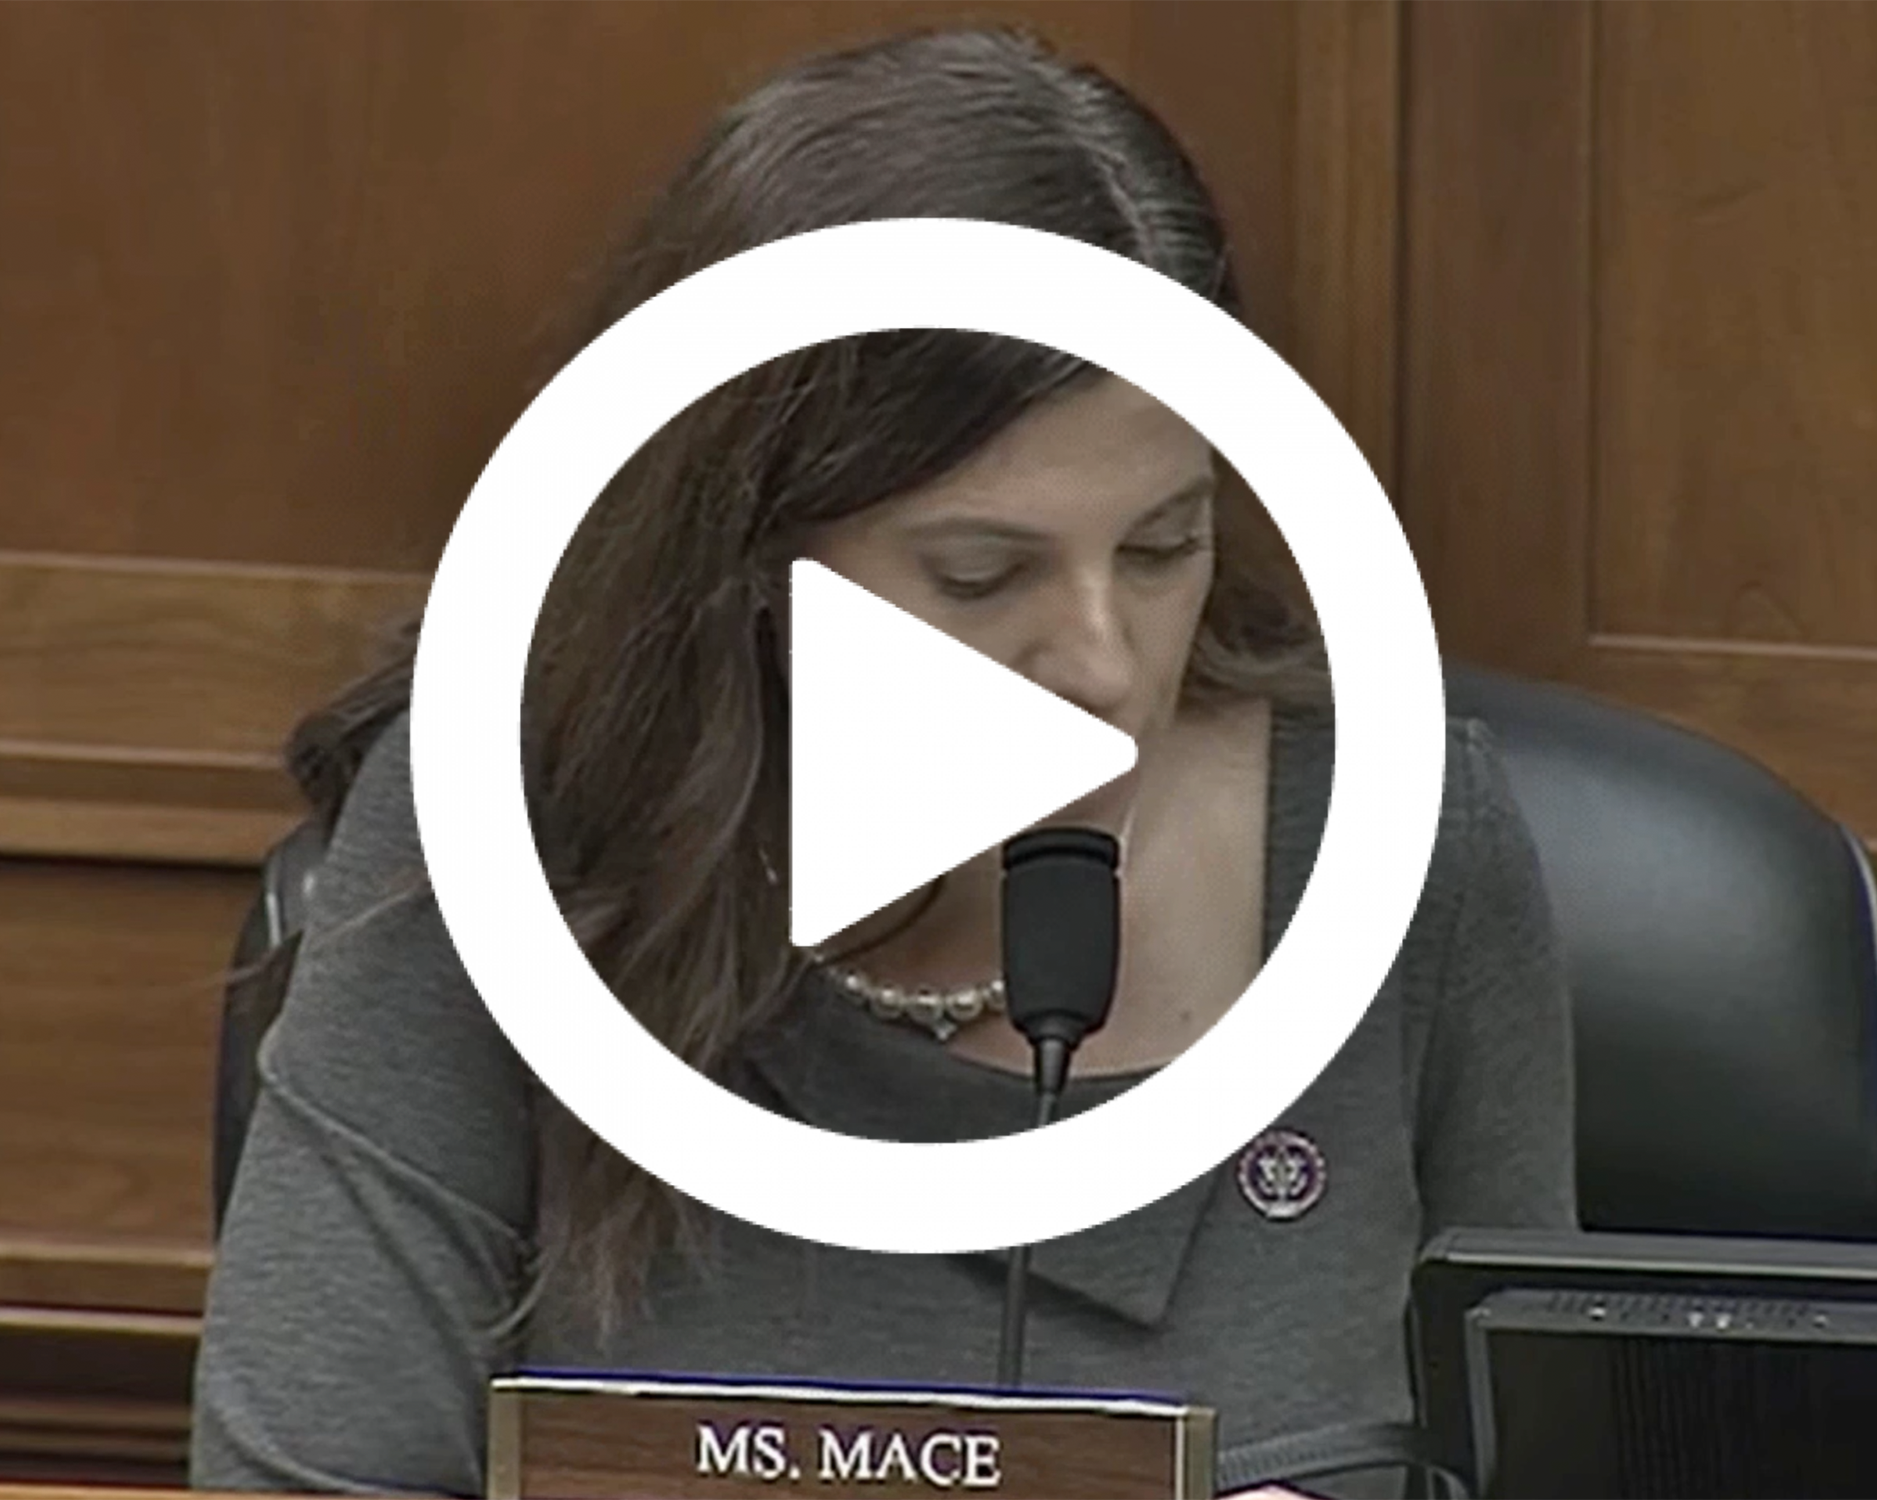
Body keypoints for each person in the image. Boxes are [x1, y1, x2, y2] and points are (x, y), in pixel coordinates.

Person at [190, 25, 1575, 1500]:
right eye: (981, 575)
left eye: (1163, 547)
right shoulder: (503, 840)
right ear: (747, 558)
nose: (1103, 664)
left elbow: (1550, 1458)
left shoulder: (1408, 854)